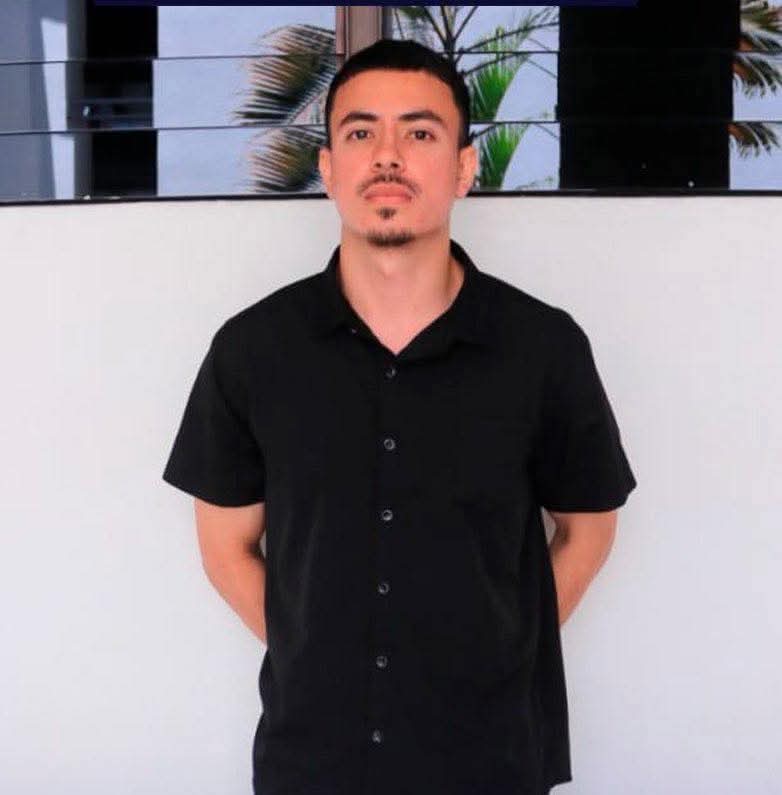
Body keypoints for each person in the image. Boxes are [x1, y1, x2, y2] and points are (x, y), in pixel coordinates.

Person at [162, 38, 637, 795]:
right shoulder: (253, 350)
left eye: (419, 132)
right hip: (312, 762)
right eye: (361, 132)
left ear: (463, 168)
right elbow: (226, 548)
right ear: (328, 169)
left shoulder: (543, 347)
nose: (388, 155)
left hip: (491, 762)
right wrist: (322, 660)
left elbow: (589, 529)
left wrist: (498, 652)